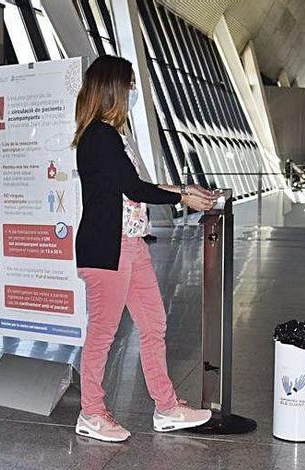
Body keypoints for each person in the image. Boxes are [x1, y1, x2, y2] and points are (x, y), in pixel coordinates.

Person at [71, 55, 216, 443]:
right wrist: (184, 196)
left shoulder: (115, 136)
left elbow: (136, 185)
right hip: (107, 250)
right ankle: (91, 412)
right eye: (130, 86)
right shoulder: (98, 136)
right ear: (113, 89)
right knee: (103, 333)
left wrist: (186, 190)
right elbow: (134, 190)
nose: (134, 92)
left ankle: (166, 408)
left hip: (130, 245)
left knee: (154, 325)